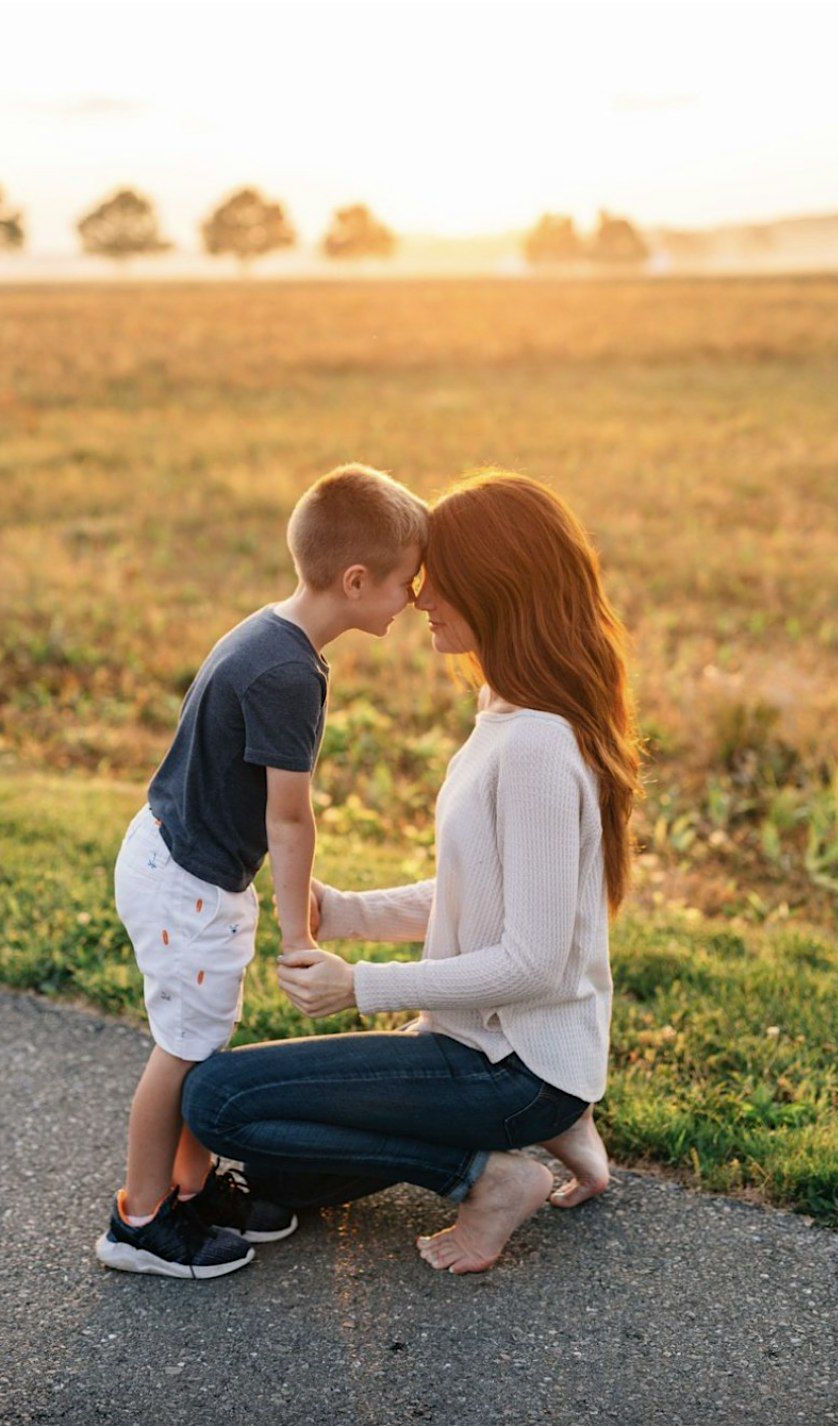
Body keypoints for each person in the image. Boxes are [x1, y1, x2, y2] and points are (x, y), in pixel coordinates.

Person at [181, 469, 641, 1275]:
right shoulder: (508, 710)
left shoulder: (534, 746)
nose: (420, 596)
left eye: (439, 578)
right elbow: (481, 898)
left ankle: (491, 1173)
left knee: (219, 1103)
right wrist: (346, 910)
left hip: (506, 1065)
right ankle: (562, 1125)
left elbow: (532, 963)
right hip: (508, 1053)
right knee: (281, 1179)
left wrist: (359, 986)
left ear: (498, 589)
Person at [95, 463, 428, 1277]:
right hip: (189, 881)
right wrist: (295, 933)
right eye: (405, 584)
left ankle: (192, 1186)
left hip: (177, 856)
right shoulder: (289, 673)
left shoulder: (271, 633)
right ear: (356, 581)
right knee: (182, 1049)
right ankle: (140, 1222)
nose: (414, 599)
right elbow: (289, 817)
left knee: (201, 1042)